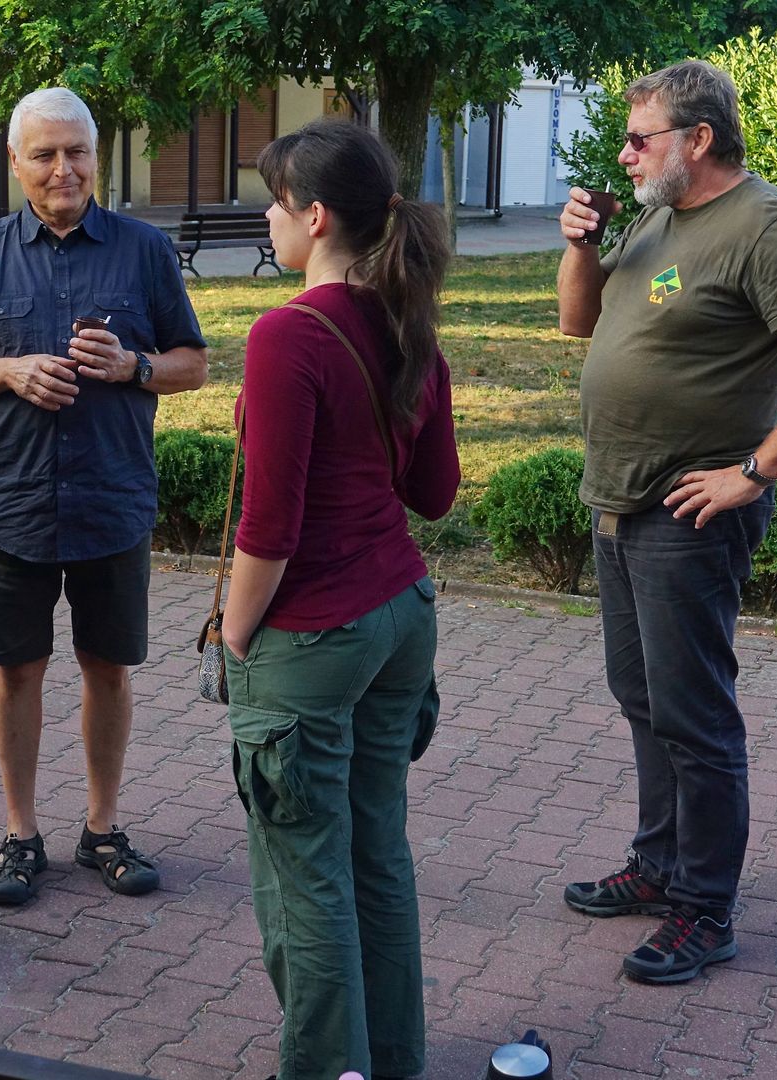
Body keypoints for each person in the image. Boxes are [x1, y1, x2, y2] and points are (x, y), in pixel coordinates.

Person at [556, 60, 777, 984]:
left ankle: (706, 908)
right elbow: (580, 326)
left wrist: (754, 472)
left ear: (697, 140)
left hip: (685, 514)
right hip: (616, 499)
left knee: (695, 719)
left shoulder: (763, 227)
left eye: (640, 138)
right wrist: (581, 245)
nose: (624, 155)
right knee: (643, 699)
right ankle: (660, 867)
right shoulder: (661, 213)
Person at [0, 87, 207, 906]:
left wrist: (134, 367)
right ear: (15, 164)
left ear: (97, 157)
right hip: (11, 503)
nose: (62, 169)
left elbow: (194, 362)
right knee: (17, 671)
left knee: (109, 668)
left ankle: (103, 828)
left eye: (76, 151)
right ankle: (20, 835)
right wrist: (7, 370)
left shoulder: (144, 252)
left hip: (112, 500)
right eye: (43, 154)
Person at [222, 118, 461, 1080]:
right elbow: (435, 495)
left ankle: (328, 1068)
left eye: (275, 203)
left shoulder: (288, 334)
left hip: (314, 631)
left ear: (314, 217)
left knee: (304, 878)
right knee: (375, 854)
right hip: (401, 615)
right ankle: (391, 1058)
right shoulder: (408, 322)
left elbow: (268, 529)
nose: (267, 220)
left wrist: (235, 639)